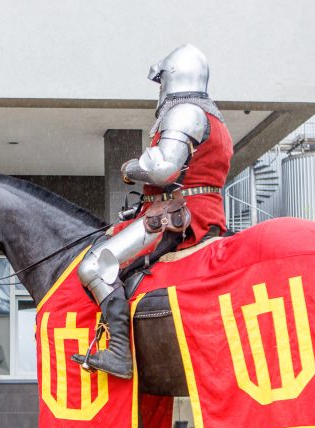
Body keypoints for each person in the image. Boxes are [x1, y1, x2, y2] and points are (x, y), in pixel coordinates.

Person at [72, 44, 233, 378]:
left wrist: (130, 168)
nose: (160, 90)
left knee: (93, 266)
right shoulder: (216, 119)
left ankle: (118, 352)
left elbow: (163, 169)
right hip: (202, 210)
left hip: (178, 216)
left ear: (172, 79)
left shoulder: (186, 112)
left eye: (161, 82)